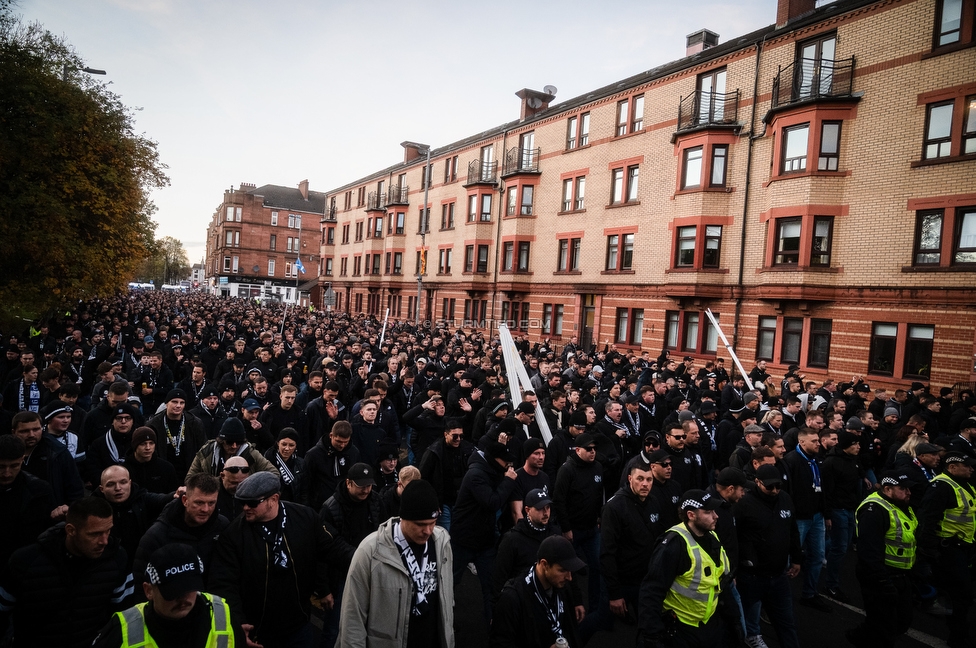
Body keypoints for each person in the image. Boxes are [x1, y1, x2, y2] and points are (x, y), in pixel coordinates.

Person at [210, 471, 335, 647]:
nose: (245, 507)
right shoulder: (234, 535)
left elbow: (326, 552)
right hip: (259, 632)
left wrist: (323, 588)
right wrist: (237, 622)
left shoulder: (304, 518)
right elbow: (224, 584)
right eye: (242, 502)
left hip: (299, 626)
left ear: (274, 499)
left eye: (252, 503)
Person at [0, 497, 134, 648]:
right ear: (71, 530)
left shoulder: (117, 559)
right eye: (94, 534)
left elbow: (122, 615)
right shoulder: (25, 562)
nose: (104, 541)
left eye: (108, 531)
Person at [338, 479, 455, 648]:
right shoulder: (371, 551)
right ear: (403, 518)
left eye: (432, 523)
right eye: (420, 525)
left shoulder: (442, 542)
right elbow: (352, 617)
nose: (428, 531)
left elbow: (447, 597)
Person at [636, 489, 740, 648]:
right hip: (682, 629)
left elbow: (719, 582)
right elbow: (652, 590)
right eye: (708, 512)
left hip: (709, 624)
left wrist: (733, 616)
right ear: (691, 515)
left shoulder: (712, 537)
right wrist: (652, 635)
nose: (715, 516)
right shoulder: (674, 545)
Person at [92, 542, 245, 647]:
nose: (183, 598)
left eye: (189, 588)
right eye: (173, 592)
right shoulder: (121, 630)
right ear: (148, 591)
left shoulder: (223, 616)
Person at [451, 441, 519, 628]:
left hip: (484, 540)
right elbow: (492, 501)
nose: (508, 465)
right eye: (505, 461)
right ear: (493, 459)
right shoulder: (476, 475)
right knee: (450, 581)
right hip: (464, 539)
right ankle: (444, 620)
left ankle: (493, 626)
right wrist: (508, 481)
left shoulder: (490, 471)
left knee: (490, 586)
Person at [733, 464, 802, 648]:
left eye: (778, 486)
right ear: (757, 482)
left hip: (779, 575)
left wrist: (796, 558)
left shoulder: (785, 498)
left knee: (787, 624)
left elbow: (792, 530)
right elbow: (733, 538)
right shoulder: (744, 503)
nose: (774, 490)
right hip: (752, 577)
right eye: (769, 486)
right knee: (741, 623)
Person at [846, 471, 918, 648]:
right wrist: (882, 581)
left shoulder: (902, 505)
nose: (908, 492)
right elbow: (869, 551)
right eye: (902, 488)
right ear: (887, 489)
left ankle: (858, 637)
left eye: (908, 488)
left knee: (900, 621)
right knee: (885, 628)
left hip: (901, 574)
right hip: (882, 576)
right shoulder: (874, 510)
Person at [132, 472, 229, 601]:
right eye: (199, 503)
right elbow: (141, 586)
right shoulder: (156, 536)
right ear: (185, 500)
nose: (205, 509)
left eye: (211, 503)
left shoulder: (223, 527)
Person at [319, 462, 385, 648]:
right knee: (334, 629)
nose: (366, 490)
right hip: (341, 578)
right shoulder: (329, 509)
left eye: (369, 485)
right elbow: (322, 552)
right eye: (361, 486)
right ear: (348, 483)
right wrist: (324, 590)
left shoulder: (376, 501)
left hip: (372, 574)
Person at [918, 454, 976, 648]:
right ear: (952, 467)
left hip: (965, 545)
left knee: (960, 593)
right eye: (966, 466)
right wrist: (929, 550)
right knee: (961, 594)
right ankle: (958, 636)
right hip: (948, 548)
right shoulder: (942, 486)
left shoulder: (963, 484)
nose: (971, 469)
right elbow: (928, 518)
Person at [490, 535, 587, 648]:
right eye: (562, 570)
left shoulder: (562, 586)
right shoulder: (512, 599)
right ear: (544, 564)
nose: (569, 577)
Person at [601, 458, 664, 625]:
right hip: (623, 580)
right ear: (630, 479)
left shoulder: (654, 502)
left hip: (646, 578)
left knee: (649, 625)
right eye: (640, 479)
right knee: (601, 621)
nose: (645, 484)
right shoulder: (614, 507)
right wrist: (614, 593)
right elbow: (607, 552)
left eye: (649, 479)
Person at [552, 433, 605, 614]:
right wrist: (566, 528)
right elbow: (559, 500)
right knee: (568, 572)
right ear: (578, 450)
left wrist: (599, 517)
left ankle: (595, 607)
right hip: (573, 530)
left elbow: (599, 495)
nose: (592, 452)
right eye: (589, 449)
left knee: (597, 566)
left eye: (594, 449)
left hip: (592, 528)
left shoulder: (598, 467)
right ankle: (571, 606)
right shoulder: (567, 470)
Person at [783, 427, 832, 612]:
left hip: (816, 516)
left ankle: (809, 594)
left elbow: (822, 488)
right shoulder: (792, 461)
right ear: (801, 442)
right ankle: (782, 598)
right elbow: (789, 492)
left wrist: (826, 513)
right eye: (814, 441)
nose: (818, 444)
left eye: (818, 441)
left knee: (817, 556)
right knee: (790, 561)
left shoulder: (816, 459)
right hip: (800, 519)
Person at [0, 435, 56, 568]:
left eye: (14, 466)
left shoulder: (39, 491)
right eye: (1, 467)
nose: (7, 473)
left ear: (22, 460)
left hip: (26, 565)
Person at [11, 410, 83, 508]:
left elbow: (74, 487)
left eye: (36, 429)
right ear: (14, 432)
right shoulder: (6, 451)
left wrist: (69, 509)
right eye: (25, 431)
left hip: (51, 514)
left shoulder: (58, 452)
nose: (31, 435)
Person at [187, 416, 278, 478]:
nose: (234, 446)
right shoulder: (206, 451)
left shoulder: (251, 454)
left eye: (239, 442)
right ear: (221, 441)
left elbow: (274, 474)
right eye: (230, 442)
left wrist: (251, 487)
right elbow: (190, 478)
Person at [124, 426, 179, 494]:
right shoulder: (124, 470)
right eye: (143, 444)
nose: (148, 447)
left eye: (151, 443)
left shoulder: (166, 468)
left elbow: (173, 495)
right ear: (135, 445)